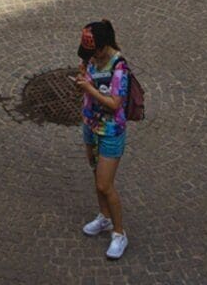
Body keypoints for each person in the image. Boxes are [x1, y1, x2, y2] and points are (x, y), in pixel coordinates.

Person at [76, 18, 136, 262]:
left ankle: (119, 233)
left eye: (92, 52)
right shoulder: (91, 58)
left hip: (110, 130)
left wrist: (89, 89)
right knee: (95, 173)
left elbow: (114, 103)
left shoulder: (119, 68)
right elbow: (86, 74)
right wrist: (83, 79)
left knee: (104, 184)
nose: (88, 58)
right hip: (90, 125)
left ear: (102, 47)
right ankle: (104, 217)